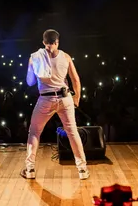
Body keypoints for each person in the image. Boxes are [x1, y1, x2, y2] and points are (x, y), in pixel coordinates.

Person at [21, 29, 89, 180]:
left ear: (43, 42)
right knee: (72, 133)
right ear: (57, 42)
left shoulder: (35, 57)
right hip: (65, 99)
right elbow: (76, 80)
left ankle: (30, 169)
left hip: (45, 99)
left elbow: (30, 82)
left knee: (34, 132)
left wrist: (31, 66)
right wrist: (77, 98)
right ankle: (82, 169)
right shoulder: (66, 57)